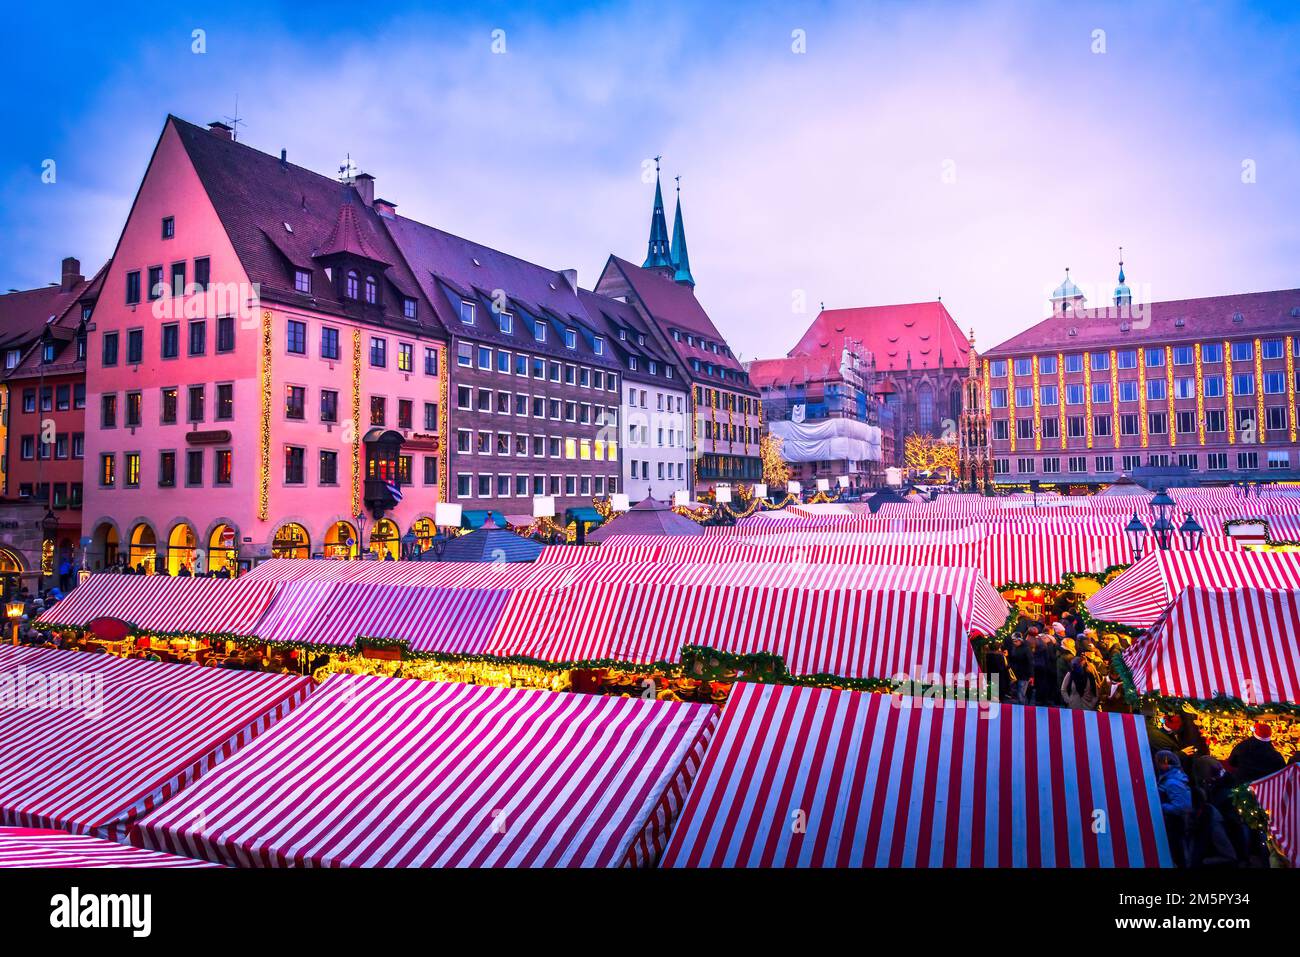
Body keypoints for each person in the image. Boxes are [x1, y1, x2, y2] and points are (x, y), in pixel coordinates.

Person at [1155, 750, 1192, 867]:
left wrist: (1160, 807)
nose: (1157, 765)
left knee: (1179, 853)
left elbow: (1182, 806)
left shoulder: (1172, 782)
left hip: (1176, 824)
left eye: (1159, 762)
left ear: (1166, 763)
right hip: (1173, 823)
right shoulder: (1169, 777)